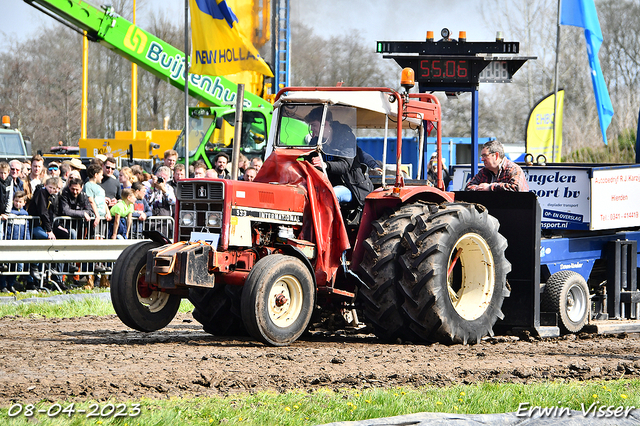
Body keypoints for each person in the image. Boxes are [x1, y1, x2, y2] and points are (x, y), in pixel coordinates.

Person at [305, 107, 373, 206]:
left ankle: (328, 221)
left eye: (314, 125)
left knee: (330, 195)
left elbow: (345, 165)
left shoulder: (346, 138)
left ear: (325, 124)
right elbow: (308, 159)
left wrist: (325, 164)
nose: (311, 129)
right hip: (326, 184)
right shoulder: (315, 141)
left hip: (351, 186)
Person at [465, 140, 529, 192]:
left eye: (485, 155)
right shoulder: (484, 171)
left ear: (496, 155)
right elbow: (468, 187)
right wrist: (479, 188)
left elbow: (516, 188)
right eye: (482, 156)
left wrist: (490, 187)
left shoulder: (513, 169)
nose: (482, 159)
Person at [0, 191, 30, 293]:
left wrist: (28, 241)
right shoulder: (9, 213)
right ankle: (3, 285)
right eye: (16, 201)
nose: (17, 203)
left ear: (24, 203)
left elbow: (27, 229)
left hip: (20, 242)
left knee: (16, 266)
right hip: (9, 240)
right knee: (6, 265)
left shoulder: (25, 214)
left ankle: (11, 284)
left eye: (20, 202)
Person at [83, 164, 111, 231]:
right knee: (95, 238)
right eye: (101, 175)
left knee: (102, 238)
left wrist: (108, 213)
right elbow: (91, 201)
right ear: (96, 175)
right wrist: (97, 215)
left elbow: (103, 202)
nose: (102, 177)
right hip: (94, 216)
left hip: (102, 217)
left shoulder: (99, 187)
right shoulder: (88, 185)